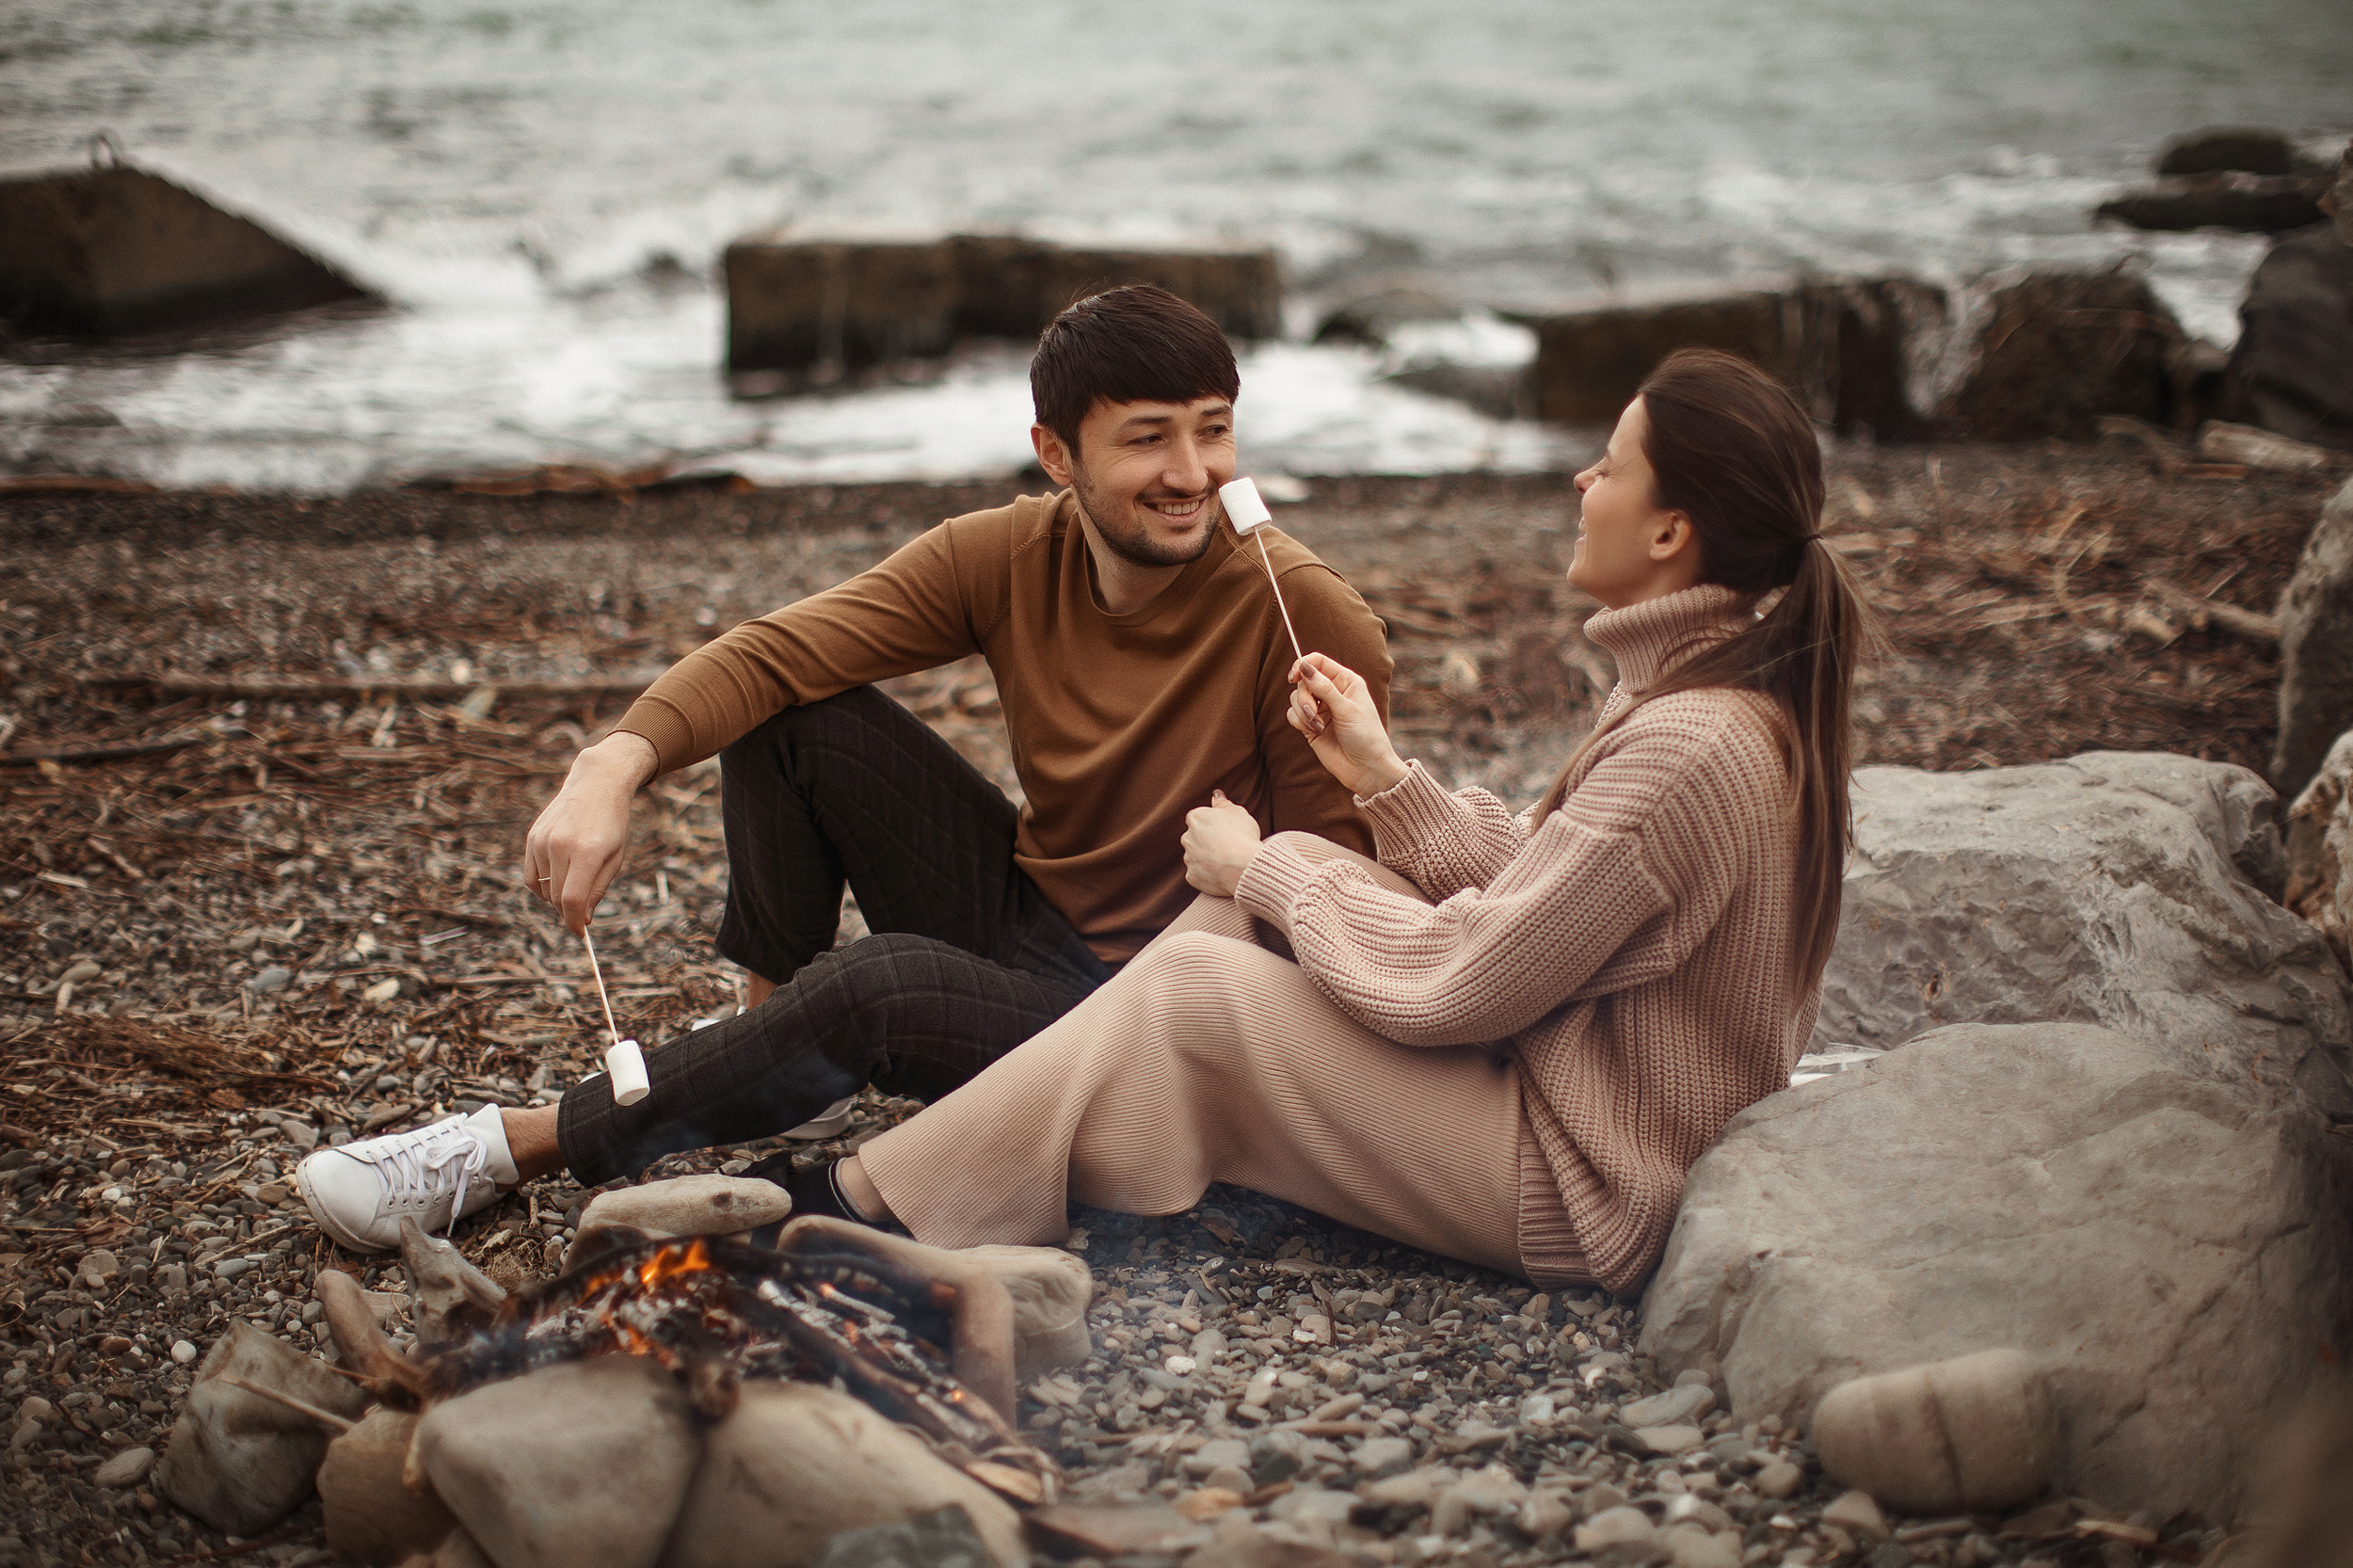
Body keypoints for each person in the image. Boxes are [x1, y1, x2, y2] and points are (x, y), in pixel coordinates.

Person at [296, 284, 1390, 1253]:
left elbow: (1321, 925)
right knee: (789, 717)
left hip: (1150, 1016)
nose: (1193, 474)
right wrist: (609, 765)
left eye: (1213, 431)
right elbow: (776, 652)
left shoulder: (1302, 613)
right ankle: (775, 1063)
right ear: (1057, 455)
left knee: (877, 985)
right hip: (1031, 922)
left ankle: (510, 1146)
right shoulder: (1007, 553)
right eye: (1150, 440)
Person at [807, 347, 1875, 1295]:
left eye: (1608, 466)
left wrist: (1264, 868)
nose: (1580, 482)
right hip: (1568, 1100)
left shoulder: (1692, 740)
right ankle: (1018, 1151)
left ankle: (868, 1200)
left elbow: (1474, 982)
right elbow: (1556, 901)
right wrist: (1382, 779)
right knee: (1298, 874)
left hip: (1589, 1180)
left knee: (1203, 979)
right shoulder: (1693, 690)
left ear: (1670, 529)